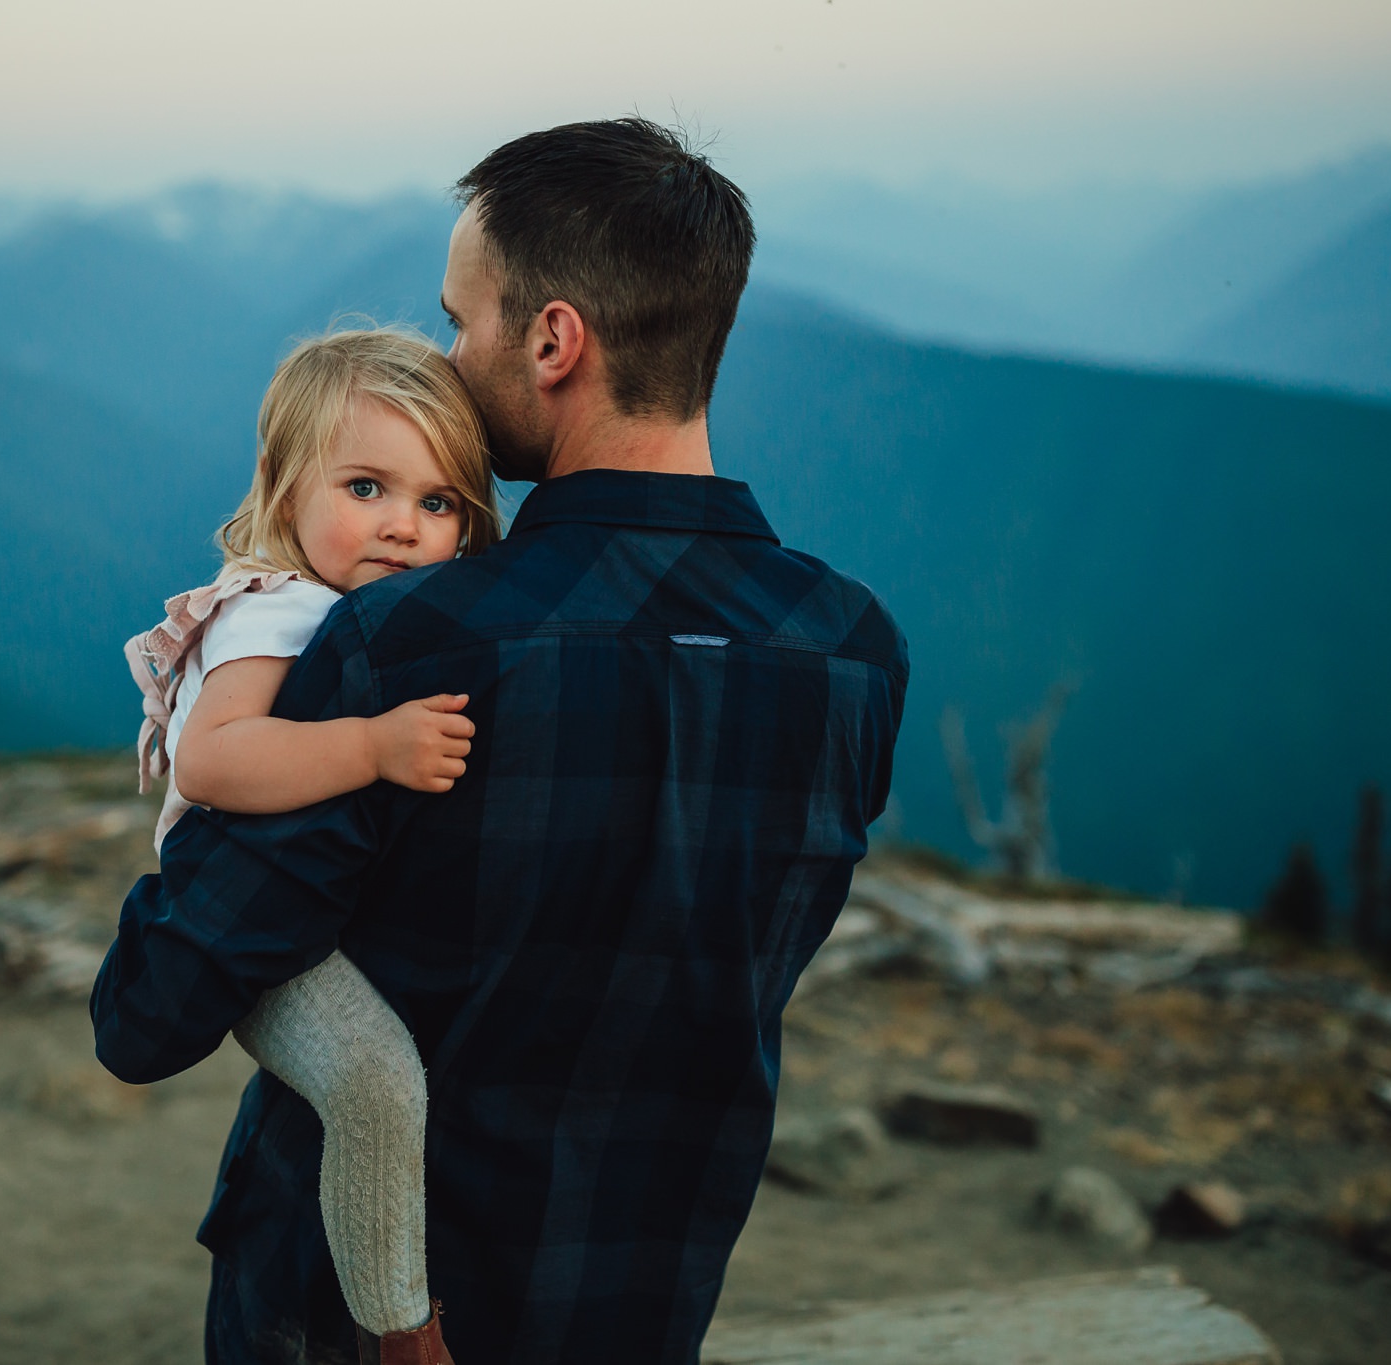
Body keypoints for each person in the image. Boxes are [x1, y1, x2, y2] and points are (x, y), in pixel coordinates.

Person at [93, 118, 908, 1365]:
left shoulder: (407, 645)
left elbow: (149, 1016)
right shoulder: (851, 654)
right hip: (643, 1290)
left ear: (552, 340)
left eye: (461, 322)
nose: (448, 358)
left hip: (356, 1317)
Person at [124, 327, 498, 1361]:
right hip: (242, 924)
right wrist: (372, 746)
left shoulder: (340, 607)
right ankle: (399, 1328)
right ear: (286, 488)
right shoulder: (275, 610)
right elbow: (214, 760)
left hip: (299, 908)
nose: (403, 527)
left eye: (437, 503)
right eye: (367, 487)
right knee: (376, 1084)